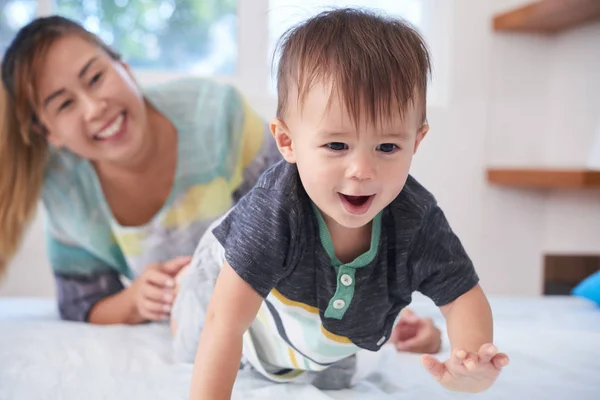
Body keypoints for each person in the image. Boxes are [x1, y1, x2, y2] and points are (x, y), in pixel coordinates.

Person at [0, 14, 440, 353]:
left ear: (125, 67)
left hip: (275, 307)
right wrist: (134, 301)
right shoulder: (65, 190)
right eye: (63, 105)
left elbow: (319, 210)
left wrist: (380, 308)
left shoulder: (214, 116)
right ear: (47, 133)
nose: (94, 107)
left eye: (96, 77)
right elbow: (82, 303)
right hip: (190, 328)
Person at [172, 8, 510, 398]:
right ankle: (181, 289)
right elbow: (224, 322)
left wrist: (470, 359)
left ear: (416, 142)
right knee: (194, 339)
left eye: (387, 146)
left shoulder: (416, 219)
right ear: (287, 142)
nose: (362, 170)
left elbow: (462, 296)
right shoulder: (275, 210)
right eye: (336, 145)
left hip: (321, 324)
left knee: (333, 374)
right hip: (231, 298)